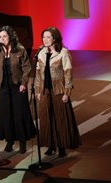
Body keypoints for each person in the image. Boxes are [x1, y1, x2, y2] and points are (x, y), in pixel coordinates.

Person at [34, 27, 81, 157]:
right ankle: (50, 145)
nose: (45, 40)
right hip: (45, 90)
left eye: (48, 37)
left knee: (60, 118)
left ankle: (61, 146)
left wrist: (67, 92)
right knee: (46, 118)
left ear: (54, 38)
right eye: (43, 37)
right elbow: (38, 74)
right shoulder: (41, 53)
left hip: (58, 90)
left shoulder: (63, 52)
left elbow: (68, 73)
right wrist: (38, 90)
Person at [0, 26, 36, 154]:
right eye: (0, 37)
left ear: (10, 37)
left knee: (19, 113)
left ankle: (22, 141)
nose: (2, 39)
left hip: (18, 85)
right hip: (3, 87)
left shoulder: (19, 49)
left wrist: (24, 83)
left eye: (4, 36)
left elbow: (27, 67)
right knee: (6, 114)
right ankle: (9, 141)